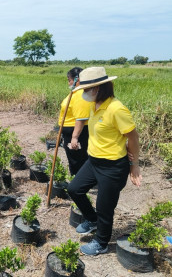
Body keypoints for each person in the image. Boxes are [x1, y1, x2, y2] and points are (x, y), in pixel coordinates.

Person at [67, 67, 142, 256]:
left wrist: (134, 166)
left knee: (104, 207)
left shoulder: (116, 109)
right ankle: (92, 220)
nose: (84, 93)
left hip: (112, 166)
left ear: (99, 88)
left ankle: (101, 242)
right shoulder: (94, 106)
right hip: (93, 161)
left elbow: (133, 137)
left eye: (87, 90)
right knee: (74, 189)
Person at [58, 67, 92, 175]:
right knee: (75, 158)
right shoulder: (76, 92)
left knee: (77, 159)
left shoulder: (80, 94)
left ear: (77, 79)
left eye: (69, 80)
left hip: (75, 131)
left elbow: (81, 118)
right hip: (70, 130)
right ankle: (78, 180)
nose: (69, 83)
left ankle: (79, 182)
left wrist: (74, 137)